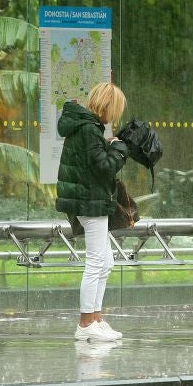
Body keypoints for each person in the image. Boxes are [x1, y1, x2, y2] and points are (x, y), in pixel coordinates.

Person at [56, 83, 129, 342]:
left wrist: (107, 145)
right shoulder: (88, 129)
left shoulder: (86, 128)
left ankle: (95, 318)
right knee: (97, 262)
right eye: (115, 110)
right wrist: (119, 150)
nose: (114, 116)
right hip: (91, 202)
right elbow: (104, 167)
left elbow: (92, 162)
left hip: (90, 201)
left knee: (106, 263)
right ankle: (86, 322)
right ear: (107, 106)